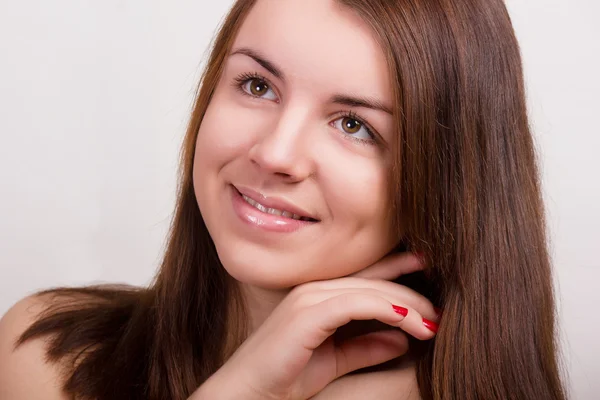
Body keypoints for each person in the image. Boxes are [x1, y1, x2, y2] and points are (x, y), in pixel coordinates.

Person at [0, 0, 568, 399]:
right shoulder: (49, 359)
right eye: (257, 86)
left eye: (353, 125)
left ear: (445, 188)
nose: (275, 153)